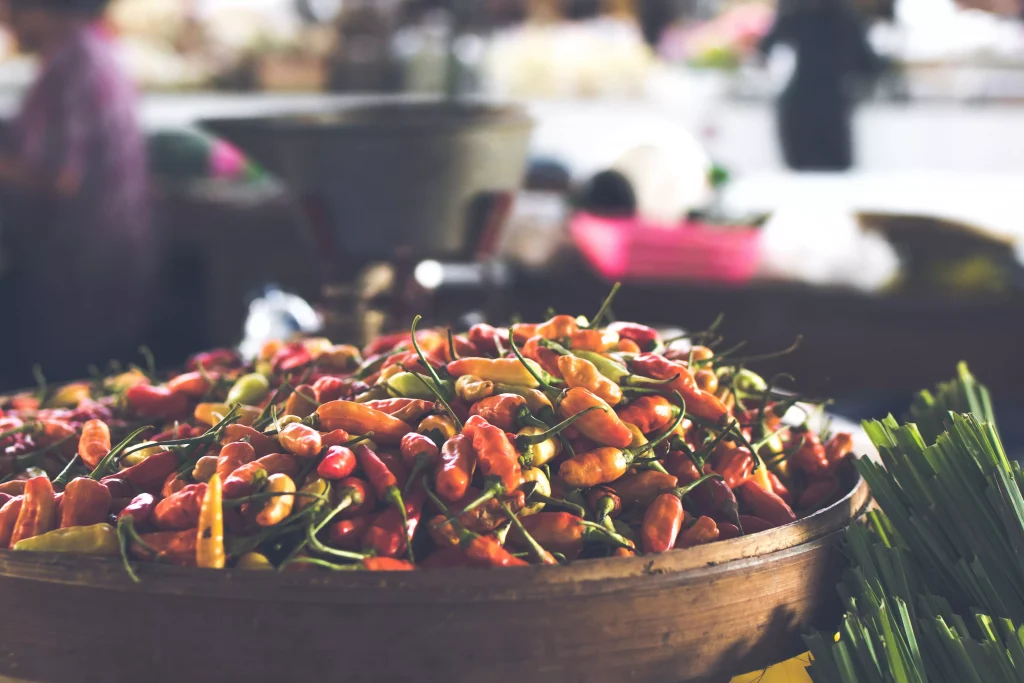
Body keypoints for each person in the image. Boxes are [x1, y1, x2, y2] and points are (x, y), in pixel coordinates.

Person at [0, 0, 155, 387]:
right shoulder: (89, 50)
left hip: (81, 262)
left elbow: (60, 180)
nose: (6, 19)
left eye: (11, 10)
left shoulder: (73, 65)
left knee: (65, 393)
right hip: (99, 256)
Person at [760, 0, 881, 170]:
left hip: (797, 108)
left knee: (803, 180)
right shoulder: (847, 19)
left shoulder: (792, 15)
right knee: (835, 180)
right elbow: (869, 67)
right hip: (833, 108)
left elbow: (765, 50)